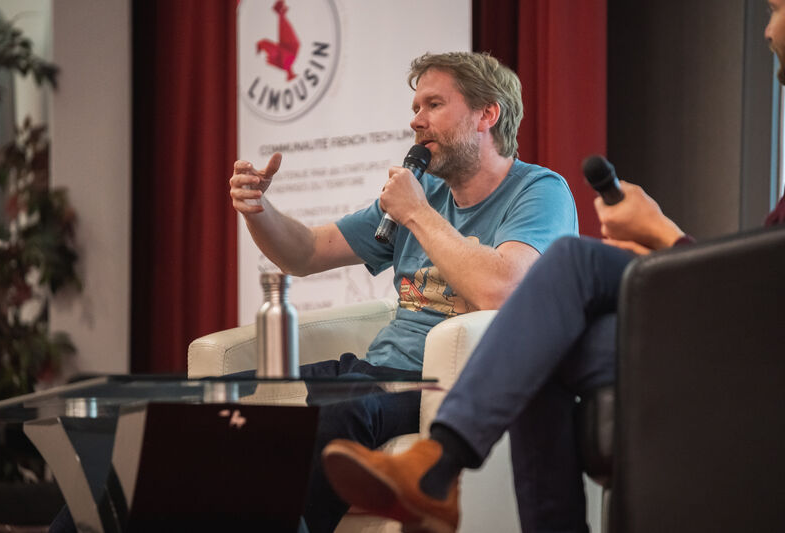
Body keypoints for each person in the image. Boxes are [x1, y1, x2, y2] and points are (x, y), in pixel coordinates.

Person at [47, 51, 577, 533]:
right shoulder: (424, 195)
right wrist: (260, 210)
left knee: (330, 419)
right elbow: (304, 252)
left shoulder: (537, 191)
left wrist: (416, 212)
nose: (416, 121)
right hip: (368, 371)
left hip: (435, 384)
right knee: (196, 411)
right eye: (415, 107)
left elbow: (504, 290)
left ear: (488, 114)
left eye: (434, 105)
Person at [319, 4, 785, 532]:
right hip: (742, 318)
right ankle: (439, 471)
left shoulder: (537, 189)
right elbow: (763, 278)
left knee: (569, 268)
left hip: (756, 339)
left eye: (774, 8)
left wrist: (664, 236)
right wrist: (660, 247)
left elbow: (761, 292)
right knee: (541, 338)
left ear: (487, 115)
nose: (766, 29)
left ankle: (439, 464)